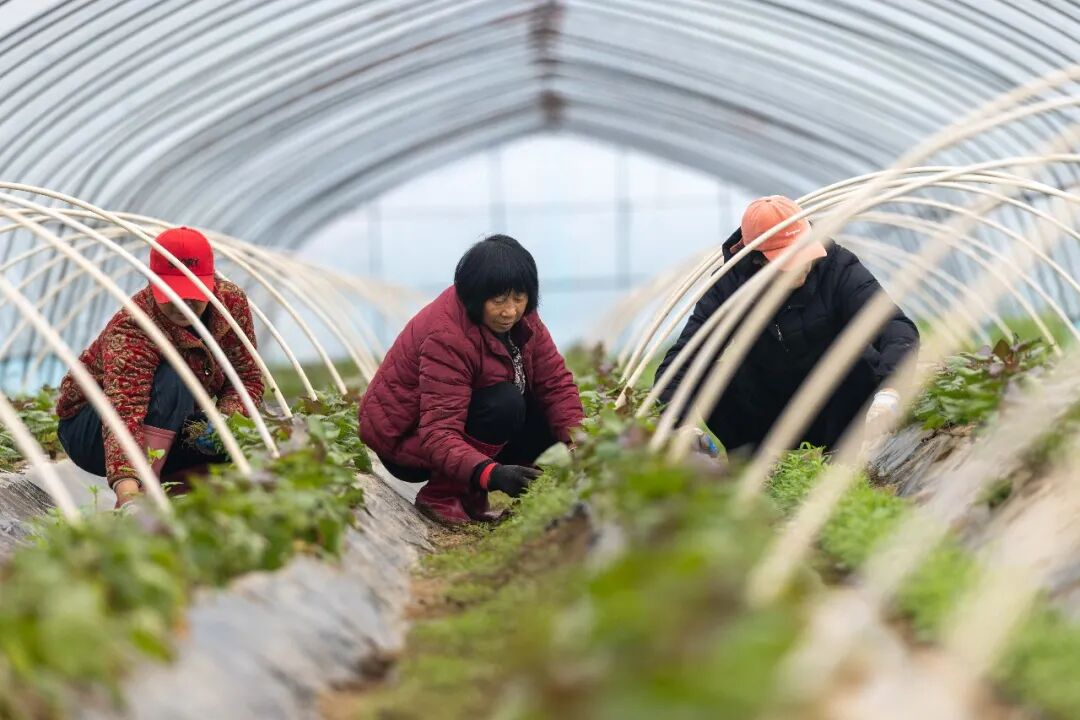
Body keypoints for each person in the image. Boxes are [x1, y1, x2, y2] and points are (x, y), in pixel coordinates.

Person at [655, 195, 919, 455]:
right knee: (711, 376)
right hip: (771, 406)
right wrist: (675, 423)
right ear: (758, 259)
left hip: (836, 405)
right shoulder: (729, 285)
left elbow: (896, 328)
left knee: (855, 362)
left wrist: (890, 391)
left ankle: (842, 459)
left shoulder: (837, 266)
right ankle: (750, 466)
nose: (803, 265)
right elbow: (688, 356)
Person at [359, 235, 584, 525]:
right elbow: (437, 433)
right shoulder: (447, 334)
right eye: (499, 300)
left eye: (519, 297)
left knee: (547, 417)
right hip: (409, 440)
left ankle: (504, 493)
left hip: (464, 425)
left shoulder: (525, 320)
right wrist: (491, 475)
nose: (510, 311)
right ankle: (442, 495)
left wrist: (579, 440)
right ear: (476, 296)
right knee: (505, 403)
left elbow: (555, 383)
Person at [56, 227, 264, 508]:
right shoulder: (134, 326)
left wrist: (226, 422)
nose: (182, 306)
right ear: (153, 283)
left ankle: (185, 507)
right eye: (171, 294)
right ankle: (142, 505)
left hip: (168, 418)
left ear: (210, 283)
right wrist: (128, 495)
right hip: (90, 429)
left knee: (234, 440)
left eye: (192, 294)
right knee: (176, 376)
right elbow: (124, 411)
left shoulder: (231, 306)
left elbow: (246, 378)